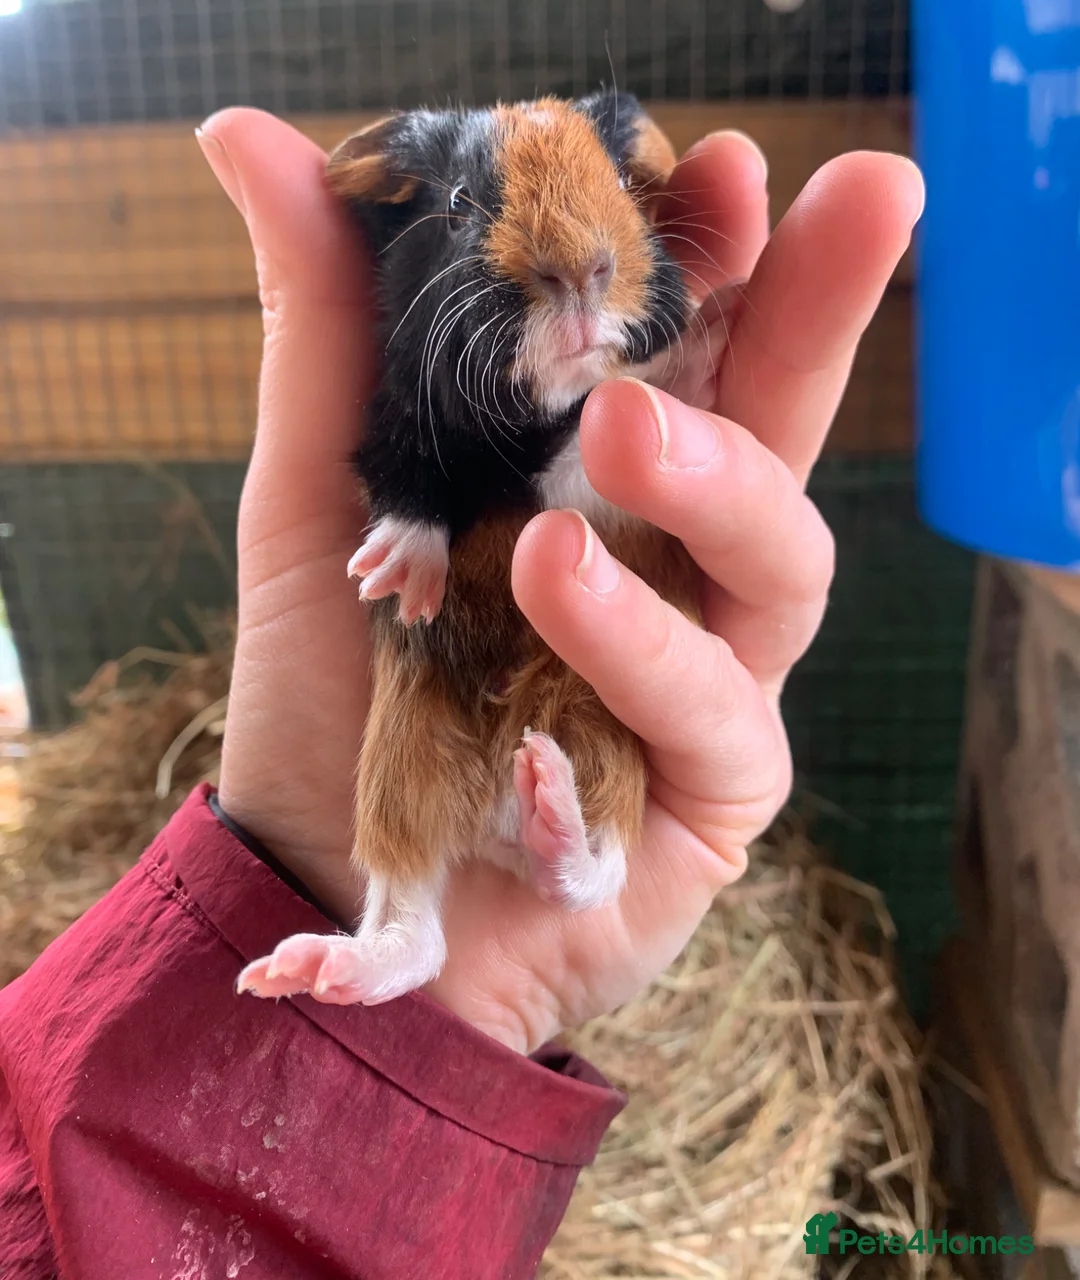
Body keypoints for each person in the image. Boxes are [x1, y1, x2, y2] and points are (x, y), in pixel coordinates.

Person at [0, 108, 921, 1278]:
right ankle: (398, 922)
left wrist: (674, 374)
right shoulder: (434, 370)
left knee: (601, 708)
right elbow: (405, 454)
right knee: (405, 690)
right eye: (473, 208)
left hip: (574, 656)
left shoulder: (653, 370)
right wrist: (416, 527)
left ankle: (584, 861)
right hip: (449, 629)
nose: (574, 265)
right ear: (416, 218)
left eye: (604, 201)